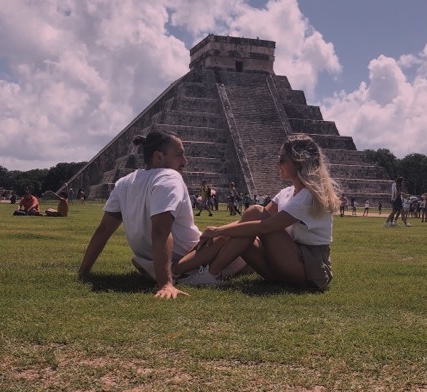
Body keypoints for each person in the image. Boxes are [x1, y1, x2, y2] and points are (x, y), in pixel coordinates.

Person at [78, 129, 244, 300]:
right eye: (179, 155)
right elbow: (161, 231)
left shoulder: (124, 183)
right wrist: (165, 283)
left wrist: (83, 272)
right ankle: (192, 274)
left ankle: (169, 271)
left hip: (150, 259)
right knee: (245, 238)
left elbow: (103, 230)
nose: (185, 161)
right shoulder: (169, 178)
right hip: (192, 258)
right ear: (158, 157)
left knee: (244, 247)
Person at [193, 134, 339, 291]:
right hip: (288, 262)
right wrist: (216, 233)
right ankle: (201, 271)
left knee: (255, 212)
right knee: (244, 231)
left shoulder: (308, 196)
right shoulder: (287, 192)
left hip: (311, 269)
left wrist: (218, 231)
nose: (277, 164)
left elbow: (264, 226)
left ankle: (211, 273)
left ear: (299, 163)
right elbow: (249, 223)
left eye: (282, 160)